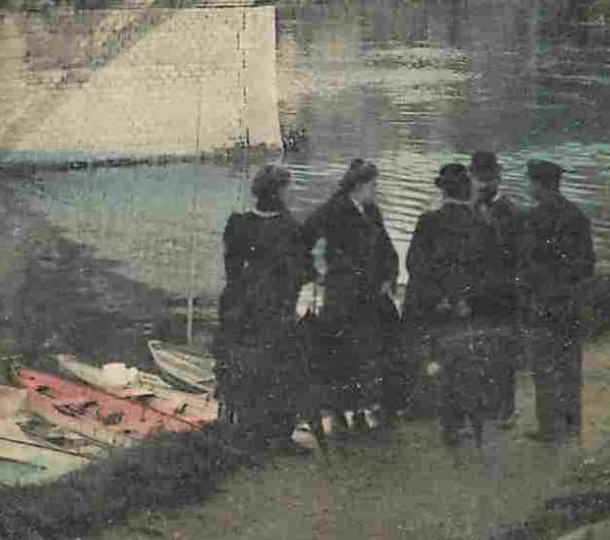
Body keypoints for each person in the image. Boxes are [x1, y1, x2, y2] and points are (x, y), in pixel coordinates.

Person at [405, 163, 510, 447]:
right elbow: (491, 271)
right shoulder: (483, 225)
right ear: (467, 192)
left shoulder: (428, 221)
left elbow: (416, 264)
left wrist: (440, 298)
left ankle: (451, 426)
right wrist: (465, 300)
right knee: (474, 364)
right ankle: (474, 424)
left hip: (439, 308)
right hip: (471, 308)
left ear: (442, 192)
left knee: (446, 364)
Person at [212, 164, 316, 453]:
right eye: (287, 188)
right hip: (276, 307)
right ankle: (279, 437)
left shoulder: (238, 223)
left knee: (246, 368)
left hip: (242, 305)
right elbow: (303, 273)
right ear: (280, 192)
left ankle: (247, 433)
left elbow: (231, 269)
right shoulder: (289, 228)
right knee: (282, 368)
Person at [301, 159, 399, 433]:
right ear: (358, 185)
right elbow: (304, 239)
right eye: (372, 185)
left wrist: (389, 275)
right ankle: (340, 414)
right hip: (343, 297)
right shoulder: (333, 210)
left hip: (370, 295)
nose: (375, 190)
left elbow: (386, 247)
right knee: (342, 354)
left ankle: (361, 410)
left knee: (368, 353)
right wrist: (316, 274)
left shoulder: (371, 211)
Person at [520, 159, 595, 442]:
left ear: (539, 185)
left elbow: (526, 265)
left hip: (544, 305)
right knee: (569, 365)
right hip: (571, 304)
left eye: (531, 182)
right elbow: (587, 265)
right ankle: (572, 425)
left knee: (543, 367)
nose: (529, 187)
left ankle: (549, 428)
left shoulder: (534, 219)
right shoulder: (577, 216)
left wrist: (533, 293)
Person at [471, 151, 525, 427]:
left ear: (497, 178)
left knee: (503, 352)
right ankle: (483, 406)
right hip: (477, 293)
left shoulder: (510, 211)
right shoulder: (469, 209)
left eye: (487, 179)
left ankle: (505, 410)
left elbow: (515, 253)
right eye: (479, 179)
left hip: (503, 293)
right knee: (478, 349)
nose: (482, 184)